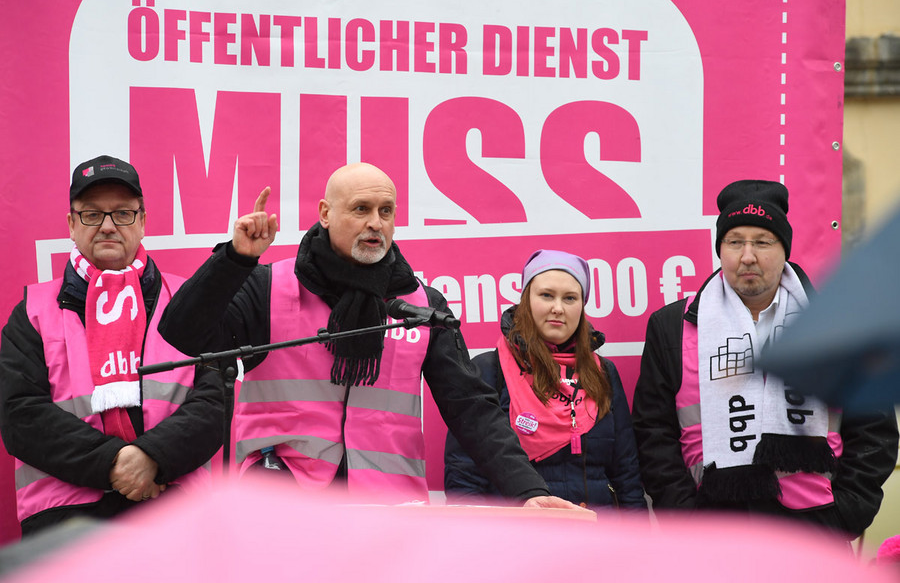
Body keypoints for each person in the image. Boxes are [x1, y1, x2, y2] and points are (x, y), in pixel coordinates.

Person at [158, 162, 583, 510]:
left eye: (386, 211)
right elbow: (182, 333)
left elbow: (472, 409)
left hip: (389, 514)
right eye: (361, 209)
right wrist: (234, 260)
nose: (375, 223)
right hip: (282, 509)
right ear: (325, 213)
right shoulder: (268, 286)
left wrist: (528, 490)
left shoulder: (421, 306)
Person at [631, 179, 899, 538]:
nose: (747, 256)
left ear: (784, 248)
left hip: (816, 528)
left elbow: (874, 430)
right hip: (711, 531)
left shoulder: (838, 323)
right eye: (734, 241)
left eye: (762, 242)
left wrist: (845, 513)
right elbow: (653, 433)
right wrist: (685, 517)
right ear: (720, 248)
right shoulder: (671, 326)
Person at [0, 155, 224, 536]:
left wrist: (152, 458)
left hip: (176, 510)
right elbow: (20, 415)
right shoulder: (33, 312)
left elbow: (214, 403)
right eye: (92, 214)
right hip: (66, 520)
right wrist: (116, 464)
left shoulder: (186, 300)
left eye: (122, 213)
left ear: (142, 222)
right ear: (71, 224)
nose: (107, 226)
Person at [444, 250, 646, 509]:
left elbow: (627, 476)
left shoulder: (603, 373)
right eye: (546, 295)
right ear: (526, 300)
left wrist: (637, 532)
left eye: (570, 298)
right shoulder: (488, 371)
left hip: (598, 531)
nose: (558, 308)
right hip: (518, 532)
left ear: (582, 306)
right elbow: (464, 477)